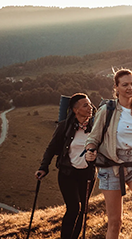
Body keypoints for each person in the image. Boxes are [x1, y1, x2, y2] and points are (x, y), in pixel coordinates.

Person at [84, 69, 132, 239]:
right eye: (125, 84)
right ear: (116, 87)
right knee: (115, 222)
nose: (130, 87)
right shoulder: (108, 109)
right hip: (111, 167)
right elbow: (93, 137)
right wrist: (90, 150)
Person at [36, 93, 96, 239]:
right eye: (85, 105)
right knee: (73, 208)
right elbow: (51, 148)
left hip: (87, 175)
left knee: (84, 210)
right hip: (67, 174)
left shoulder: (96, 128)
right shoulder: (65, 127)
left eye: (90, 104)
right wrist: (44, 167)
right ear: (75, 110)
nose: (90, 108)